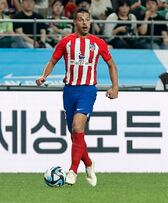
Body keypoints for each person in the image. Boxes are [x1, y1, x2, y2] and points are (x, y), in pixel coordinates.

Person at [36, 8, 119, 186]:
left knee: (77, 126)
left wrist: (115, 87)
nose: (84, 22)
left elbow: (111, 65)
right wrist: (44, 76)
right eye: (80, 19)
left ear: (90, 22)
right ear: (75, 22)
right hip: (69, 91)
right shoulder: (66, 42)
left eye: (87, 19)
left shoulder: (98, 43)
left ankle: (73, 170)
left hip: (87, 90)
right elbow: (52, 61)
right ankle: (88, 163)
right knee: (76, 135)